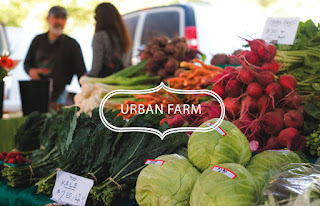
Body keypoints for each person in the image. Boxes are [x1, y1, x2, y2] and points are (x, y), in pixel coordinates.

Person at [24, 6, 87, 107]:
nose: (60, 21)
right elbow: (27, 63)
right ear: (48, 19)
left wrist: (88, 91)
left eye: (63, 18)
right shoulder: (38, 40)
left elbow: (81, 71)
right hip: (37, 89)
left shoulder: (72, 44)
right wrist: (31, 71)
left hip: (60, 93)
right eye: (56, 17)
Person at [88, 2, 132, 77]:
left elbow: (96, 68)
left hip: (104, 83)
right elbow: (127, 64)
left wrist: (87, 78)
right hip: (122, 81)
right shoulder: (123, 35)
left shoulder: (100, 36)